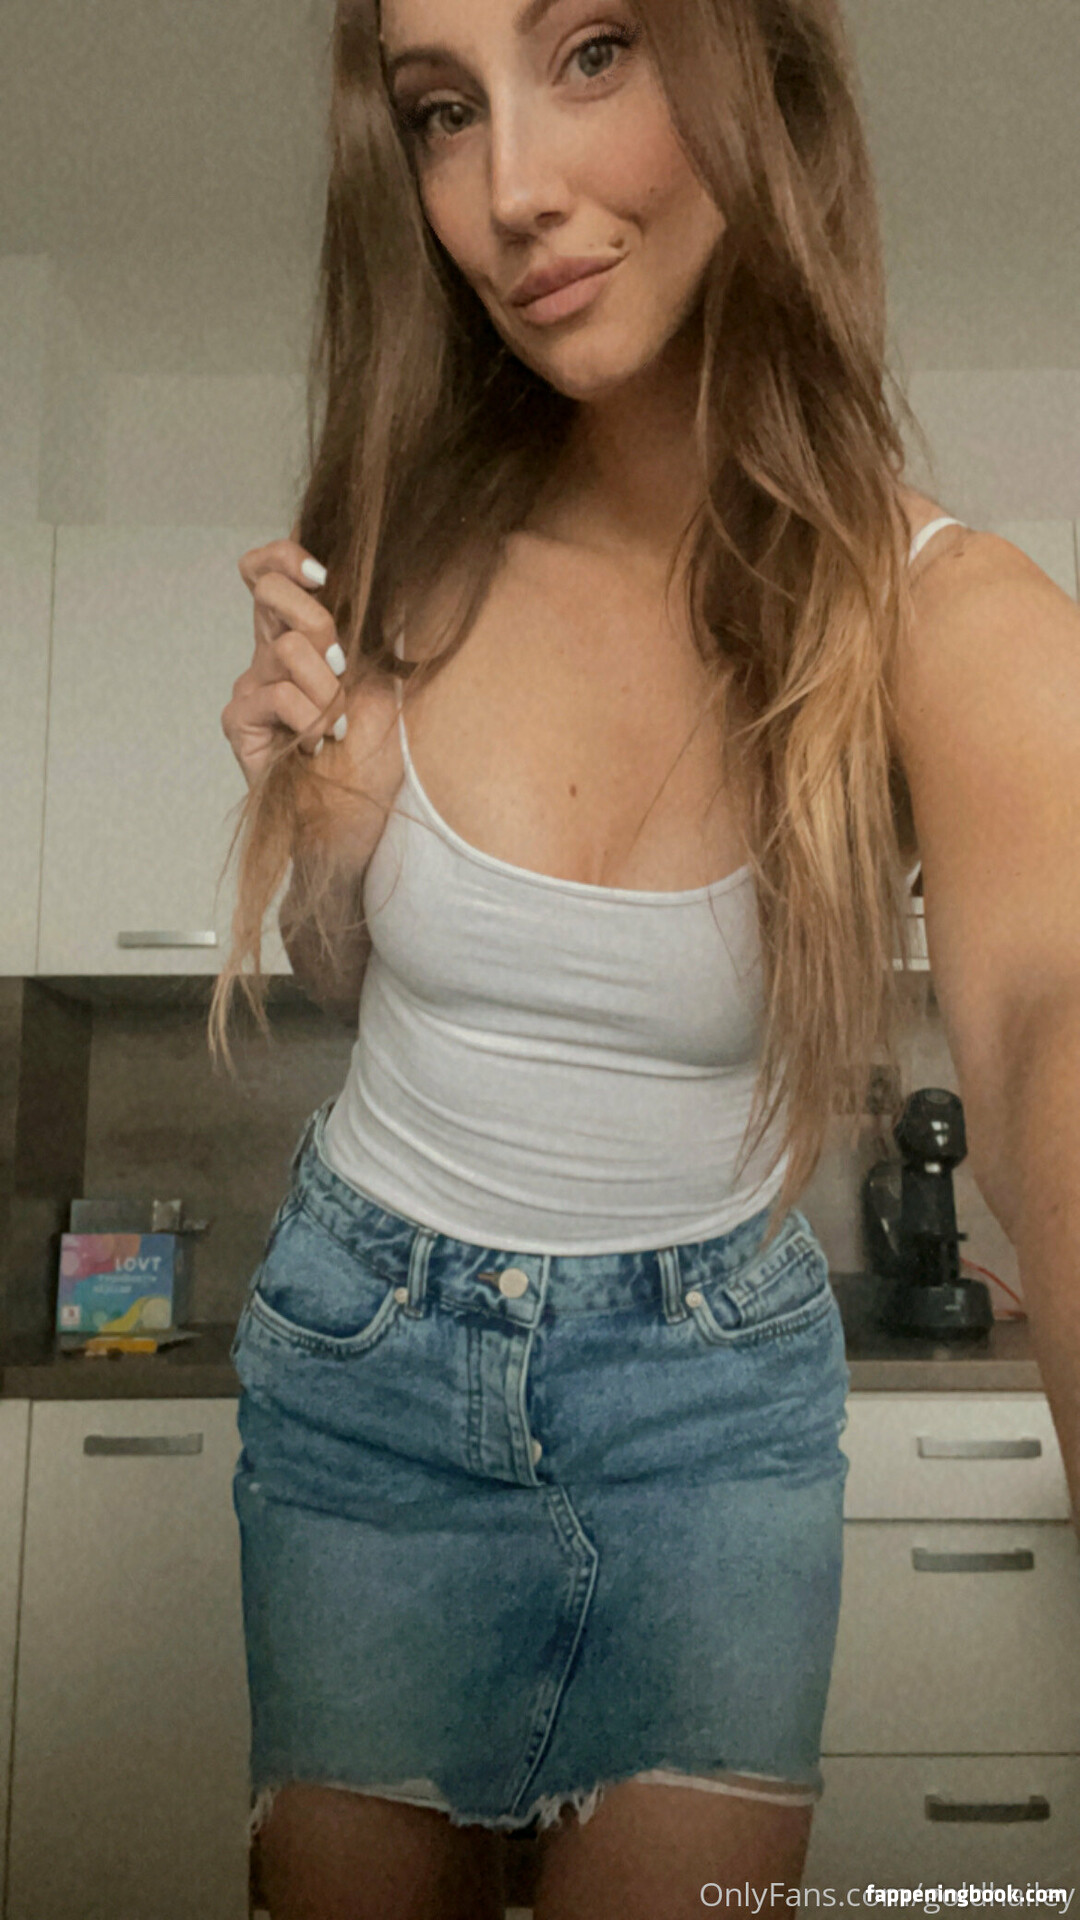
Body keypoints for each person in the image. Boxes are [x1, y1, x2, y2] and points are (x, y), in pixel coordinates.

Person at [216, 1, 1080, 1914]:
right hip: (366, 1369)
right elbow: (346, 967)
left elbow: (1050, 1019)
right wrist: (327, 826)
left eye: (593, 49)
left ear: (762, 72)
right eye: (444, 111)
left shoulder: (933, 614)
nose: (511, 190)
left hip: (714, 1423)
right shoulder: (402, 551)